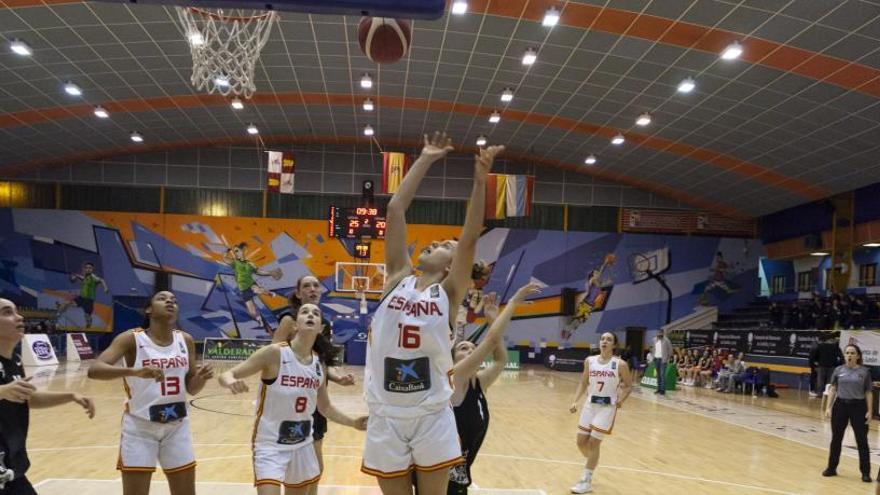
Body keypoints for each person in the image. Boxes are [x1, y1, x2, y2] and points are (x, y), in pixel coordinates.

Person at [361, 131, 504, 495]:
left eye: (445, 245)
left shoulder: (449, 292)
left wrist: (479, 182)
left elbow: (469, 237)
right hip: (385, 413)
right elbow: (395, 209)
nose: (436, 242)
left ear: (451, 265)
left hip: (431, 415)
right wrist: (425, 157)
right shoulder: (396, 277)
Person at [218, 303, 367, 494]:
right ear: (295, 325)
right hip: (270, 444)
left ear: (320, 328)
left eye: (316, 313)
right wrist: (231, 381)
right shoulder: (274, 353)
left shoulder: (318, 365)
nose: (310, 315)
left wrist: (353, 422)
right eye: (304, 312)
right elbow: (226, 375)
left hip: (302, 445)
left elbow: (325, 407)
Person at [87, 291, 214, 495]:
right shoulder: (131, 339)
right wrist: (134, 371)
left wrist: (201, 378)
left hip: (176, 426)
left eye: (174, 300)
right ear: (148, 309)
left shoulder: (186, 340)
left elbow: (191, 388)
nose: (170, 302)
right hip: (140, 427)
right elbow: (94, 370)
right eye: (162, 299)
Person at [447, 285, 539, 494]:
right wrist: (512, 304)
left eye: (473, 348)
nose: (470, 350)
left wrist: (491, 320)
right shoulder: (454, 379)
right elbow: (489, 343)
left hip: (459, 475)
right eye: (463, 349)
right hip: (439, 475)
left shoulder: (478, 382)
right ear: (452, 360)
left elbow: (500, 358)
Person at [0, 298, 95, 495]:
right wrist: (2, 391)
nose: (19, 317)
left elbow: (29, 397)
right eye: (7, 312)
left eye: (17, 311)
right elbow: (7, 392)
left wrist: (70, 395)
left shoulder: (15, 360)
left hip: (10, 466)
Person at [273, 275, 356, 493]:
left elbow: (323, 363)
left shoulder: (323, 324)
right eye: (306, 286)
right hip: (291, 400)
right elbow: (272, 356)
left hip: (314, 400)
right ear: (298, 293)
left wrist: (338, 378)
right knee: (292, 468)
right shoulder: (289, 320)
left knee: (315, 464)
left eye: (315, 286)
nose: (312, 289)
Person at [568, 332, 633, 494]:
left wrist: (621, 400)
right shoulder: (589, 361)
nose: (604, 341)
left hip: (607, 408)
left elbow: (629, 385)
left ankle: (586, 480)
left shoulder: (620, 364)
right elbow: (583, 383)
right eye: (602, 339)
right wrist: (575, 401)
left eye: (609, 340)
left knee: (593, 443)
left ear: (614, 345)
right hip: (590, 405)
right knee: (580, 442)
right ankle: (592, 461)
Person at [823, 344, 873, 482]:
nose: (849, 355)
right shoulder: (838, 370)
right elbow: (833, 389)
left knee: (862, 440)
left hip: (859, 407)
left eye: (852, 353)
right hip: (840, 406)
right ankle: (831, 468)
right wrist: (828, 407)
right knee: (836, 439)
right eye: (847, 353)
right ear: (844, 355)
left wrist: (869, 410)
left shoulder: (864, 372)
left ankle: (865, 473)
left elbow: (868, 392)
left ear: (858, 356)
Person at [223, 242, 283, 330]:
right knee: (252, 311)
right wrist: (226, 251)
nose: (236, 253)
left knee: (256, 290)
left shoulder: (250, 264)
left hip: (251, 284)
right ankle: (258, 318)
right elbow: (225, 259)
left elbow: (259, 272)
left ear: (242, 251)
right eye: (234, 251)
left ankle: (269, 293)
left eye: (237, 251)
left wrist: (271, 272)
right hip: (243, 289)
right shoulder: (235, 263)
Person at [56, 261, 108, 328]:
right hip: (81, 298)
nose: (88, 269)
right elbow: (83, 279)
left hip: (89, 301)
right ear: (85, 269)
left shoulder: (93, 277)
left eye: (90, 268)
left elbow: (101, 280)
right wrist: (77, 276)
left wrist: (105, 288)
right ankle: (57, 314)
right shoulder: (86, 277)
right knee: (67, 303)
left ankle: (89, 322)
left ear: (92, 269)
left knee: (87, 316)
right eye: (87, 268)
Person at [653, 330, 672, 395]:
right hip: (656, 359)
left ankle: (662, 390)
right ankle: (658, 389)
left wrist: (667, 358)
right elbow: (653, 349)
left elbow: (670, 350)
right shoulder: (654, 339)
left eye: (661, 334)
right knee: (658, 375)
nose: (659, 335)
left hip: (663, 360)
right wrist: (653, 356)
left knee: (662, 375)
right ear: (657, 334)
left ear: (663, 334)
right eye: (658, 333)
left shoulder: (667, 340)